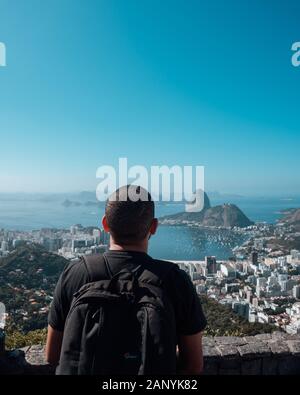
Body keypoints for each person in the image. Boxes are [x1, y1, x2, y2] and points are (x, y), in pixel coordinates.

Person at [46, 185, 207, 374]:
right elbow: (193, 365)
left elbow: (53, 355)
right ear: (153, 227)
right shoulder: (175, 280)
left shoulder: (76, 273)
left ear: (105, 225)